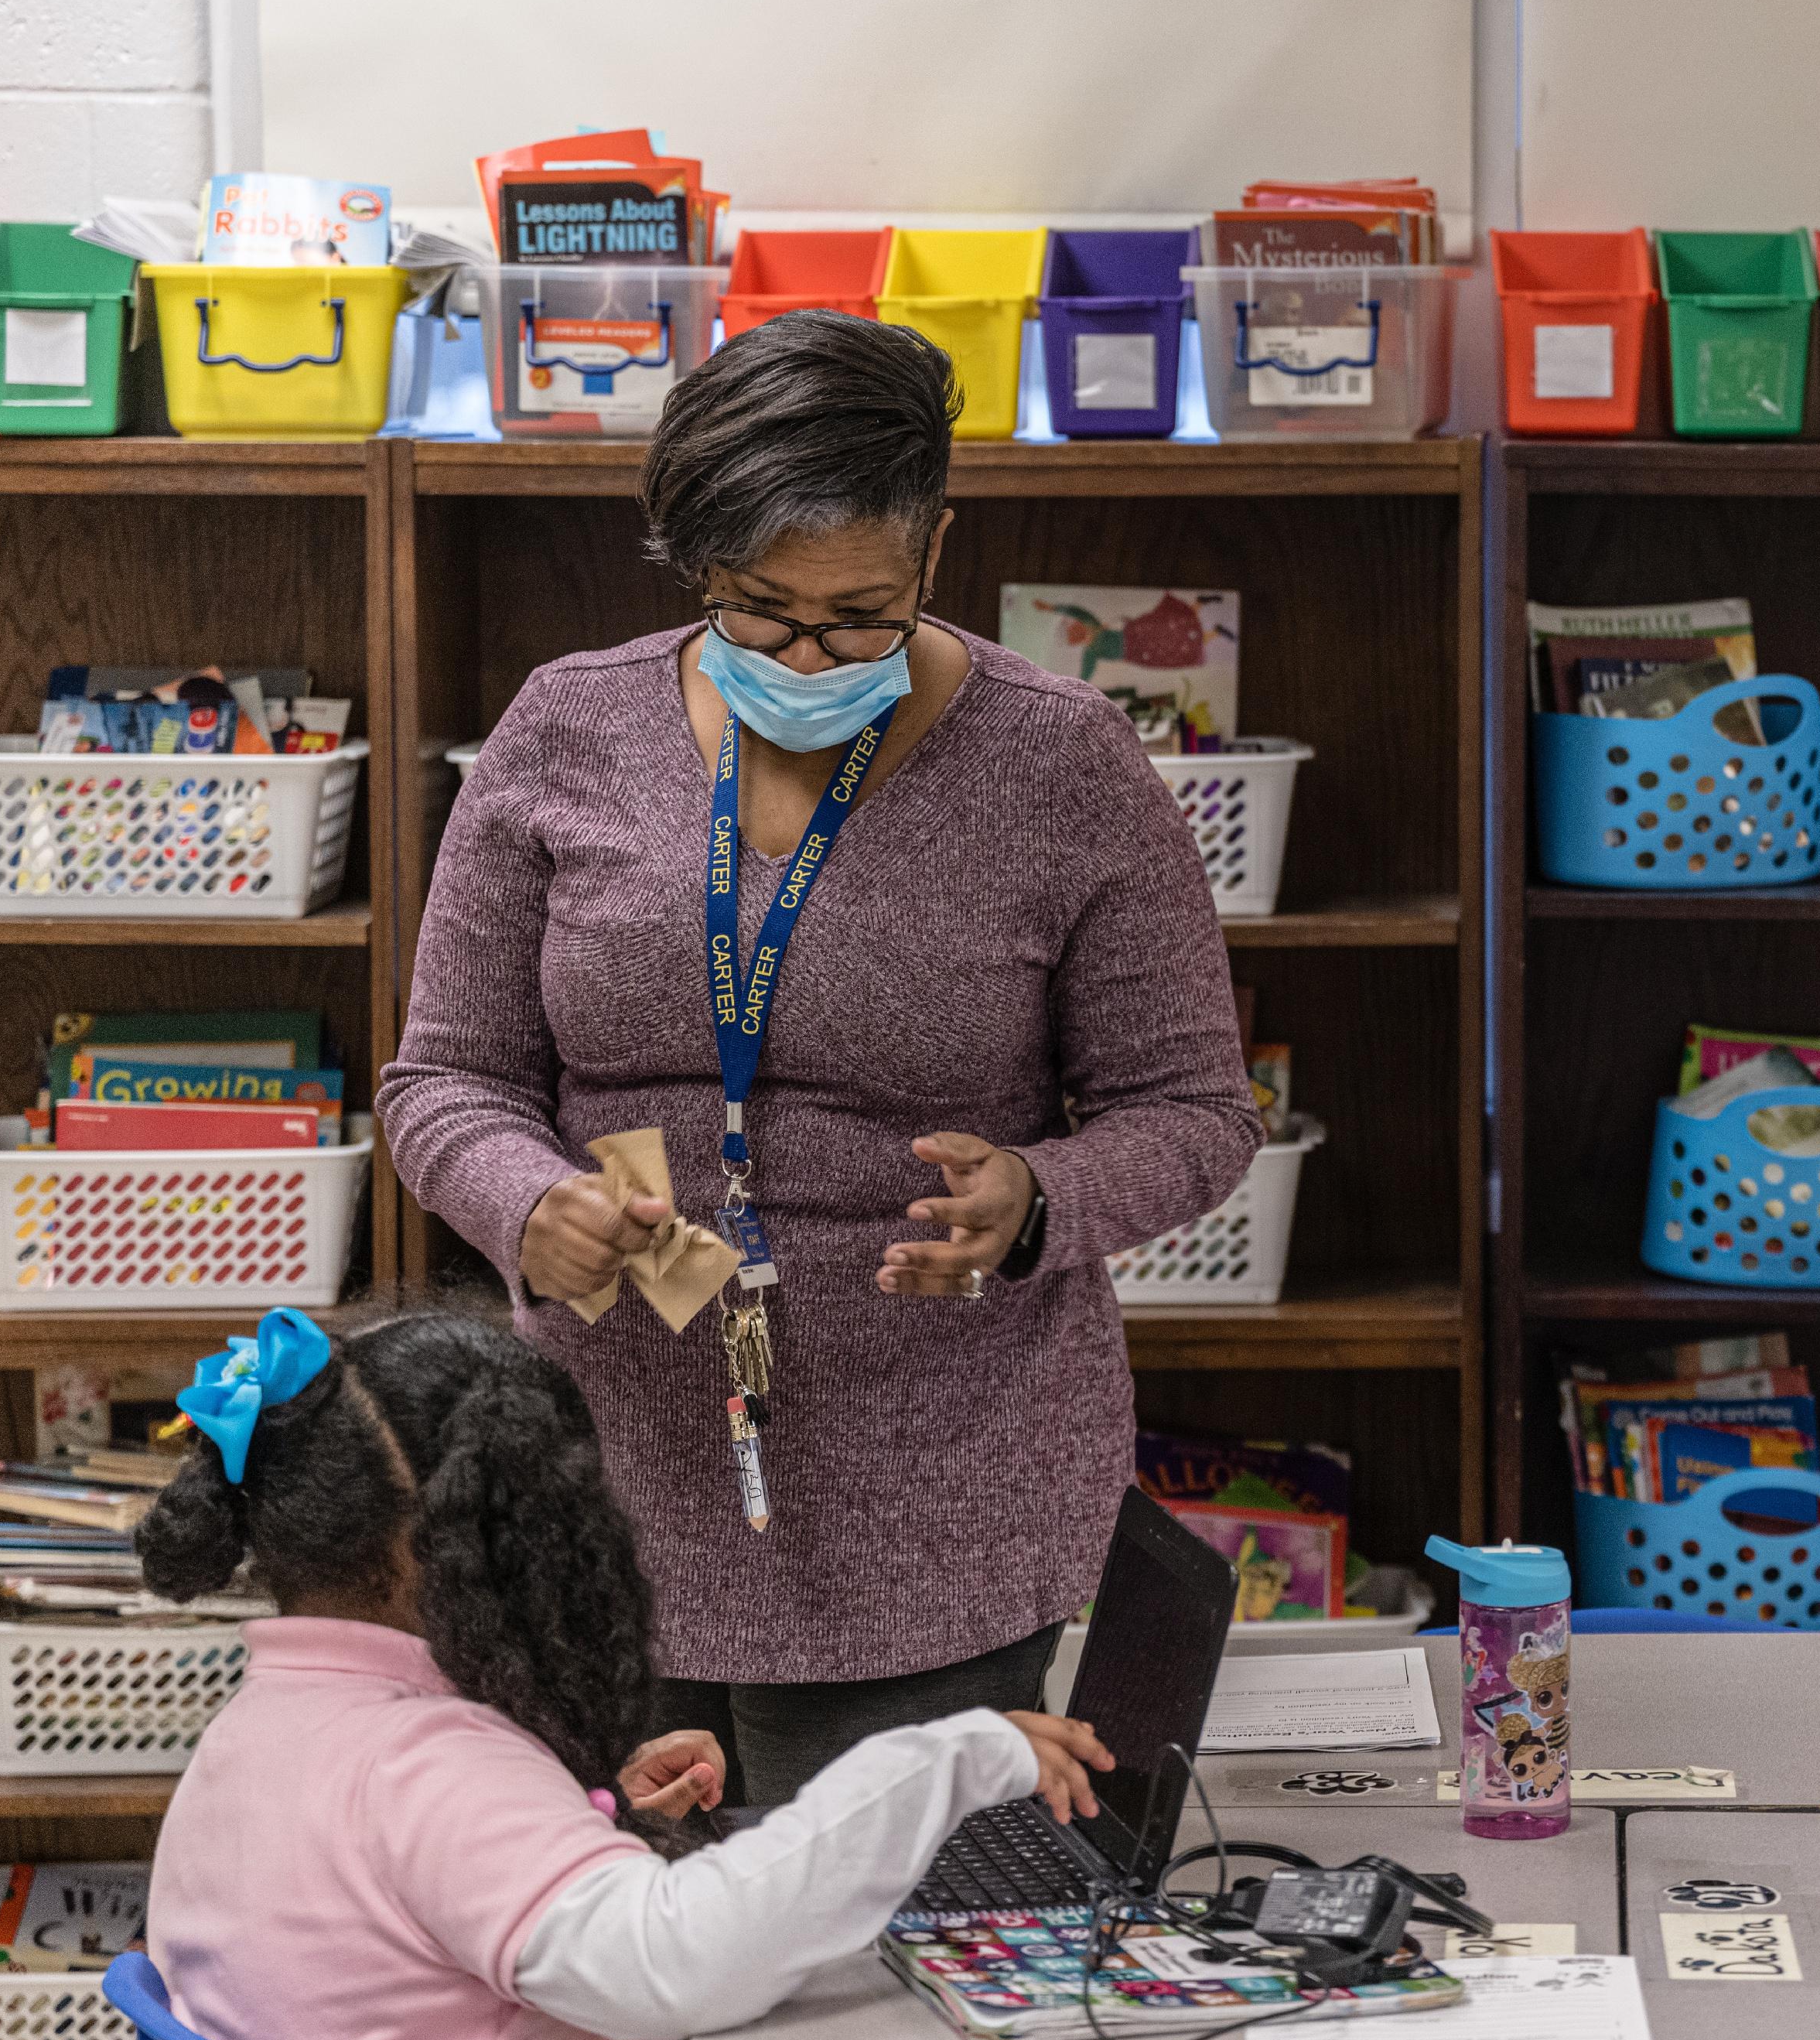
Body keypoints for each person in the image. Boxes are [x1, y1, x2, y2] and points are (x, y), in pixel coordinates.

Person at [376, 313, 1262, 1806]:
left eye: (860, 615)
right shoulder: (565, 728)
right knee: (621, 1953)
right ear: (692, 568)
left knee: (883, 1982)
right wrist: (527, 1202)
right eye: (758, 613)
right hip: (609, 1472)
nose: (807, 655)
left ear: (936, 546)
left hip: (939, 1491)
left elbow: (1195, 1111)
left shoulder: (1064, 763)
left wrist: (1041, 1199)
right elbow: (441, 1080)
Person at [138, 1307, 1114, 2040]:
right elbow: (684, 1966)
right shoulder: (427, 1769)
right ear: (451, 1545)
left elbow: (408, 1898)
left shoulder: (261, 1729)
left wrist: (574, 1812)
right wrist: (951, 1755)